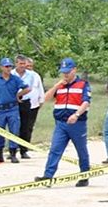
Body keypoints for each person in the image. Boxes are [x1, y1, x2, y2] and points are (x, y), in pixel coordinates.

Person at [35, 57, 92, 187]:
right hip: (61, 123)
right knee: (55, 149)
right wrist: (56, 85)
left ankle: (84, 175)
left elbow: (86, 102)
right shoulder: (60, 86)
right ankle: (47, 176)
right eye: (63, 72)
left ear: (74, 70)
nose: (65, 74)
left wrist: (76, 115)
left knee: (81, 150)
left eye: (68, 71)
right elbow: (44, 99)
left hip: (77, 123)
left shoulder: (83, 84)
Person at [0, 57, 30, 163]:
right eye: (6, 66)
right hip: (0, 109)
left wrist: (18, 95)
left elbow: (27, 88)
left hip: (12, 108)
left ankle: (13, 153)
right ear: (1, 67)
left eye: (10, 66)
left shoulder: (15, 79)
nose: (8, 68)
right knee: (0, 131)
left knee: (14, 131)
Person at [14, 55, 44, 159]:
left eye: (27, 65)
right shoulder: (12, 74)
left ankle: (24, 150)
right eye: (22, 64)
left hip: (30, 104)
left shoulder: (33, 75)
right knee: (14, 126)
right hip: (14, 103)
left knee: (27, 128)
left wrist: (41, 100)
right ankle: (12, 150)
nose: (25, 67)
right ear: (16, 64)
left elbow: (39, 88)